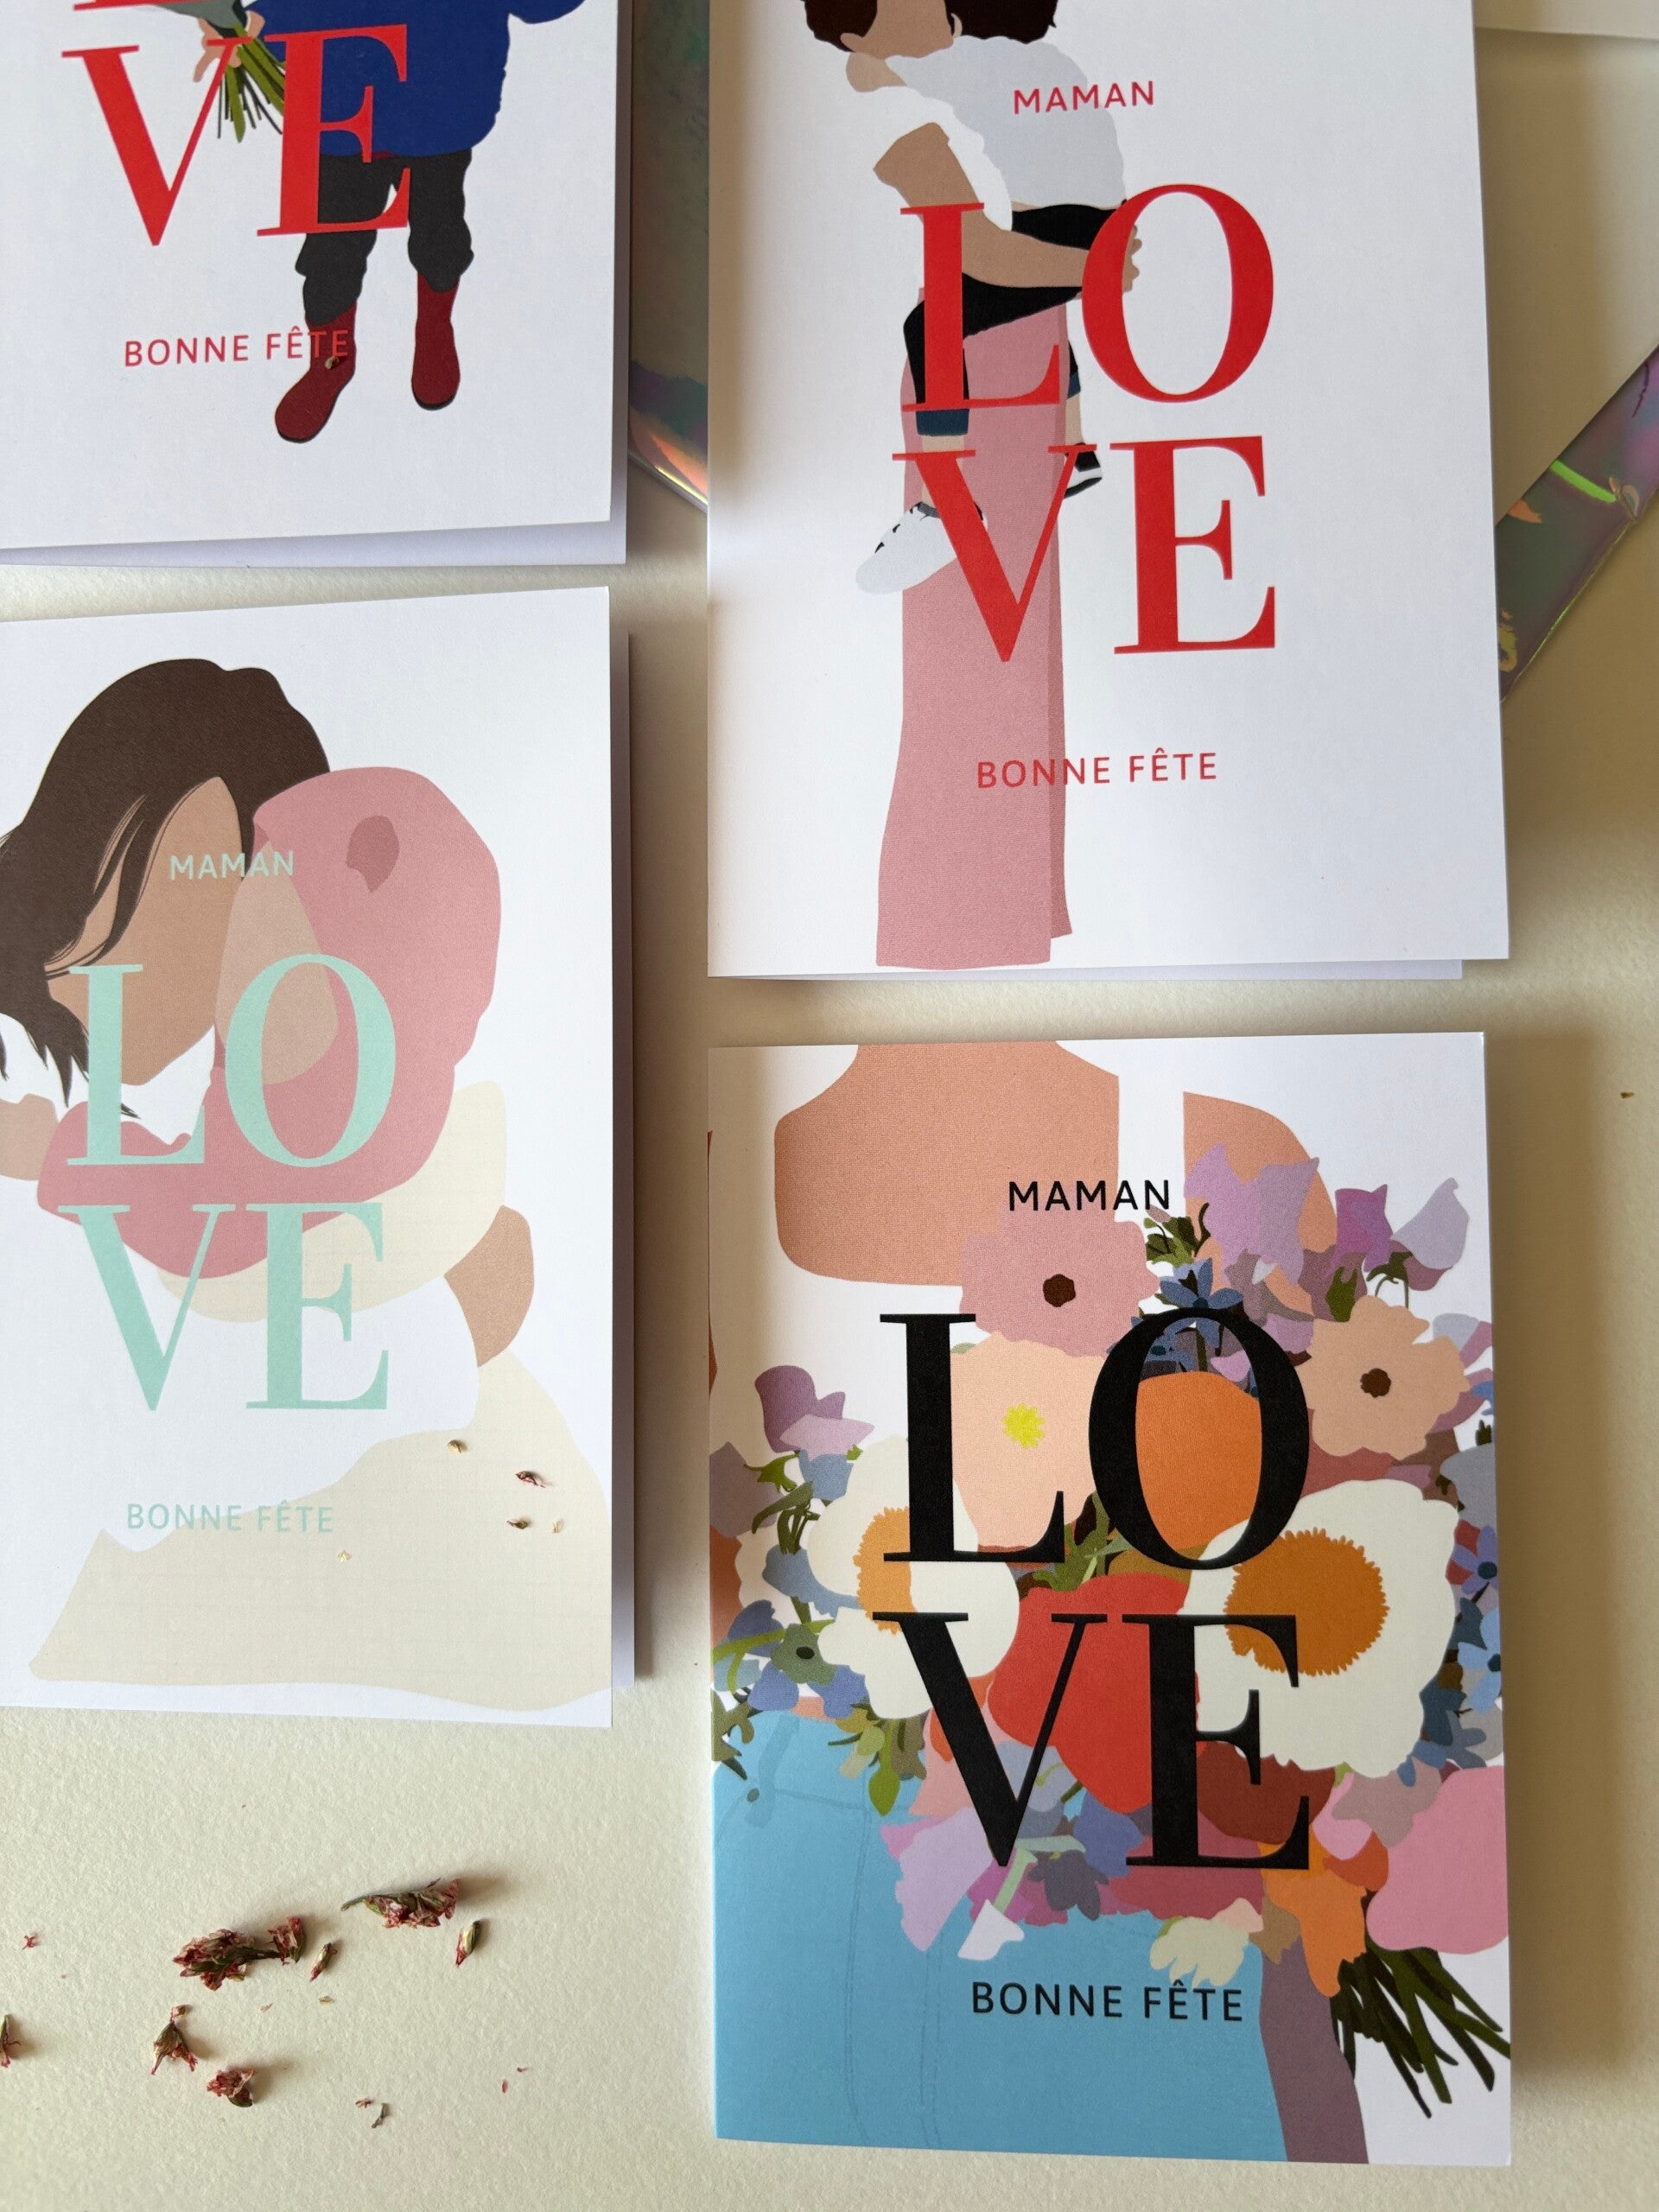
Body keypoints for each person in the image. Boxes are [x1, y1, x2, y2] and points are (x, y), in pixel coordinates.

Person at [804, 0, 1132, 592]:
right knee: (969, 296)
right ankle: (1072, 451)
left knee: (933, 322)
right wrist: (1097, 266)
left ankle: (945, 513)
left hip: (1075, 228)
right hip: (1082, 222)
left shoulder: (938, 71)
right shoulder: (929, 83)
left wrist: (1096, 270)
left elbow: (986, 255)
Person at [207, 2, 592, 443]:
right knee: (332, 251)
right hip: (345, 108)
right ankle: (331, 359)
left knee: (439, 235)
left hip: (437, 107)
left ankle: (434, 330)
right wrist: (254, 26)